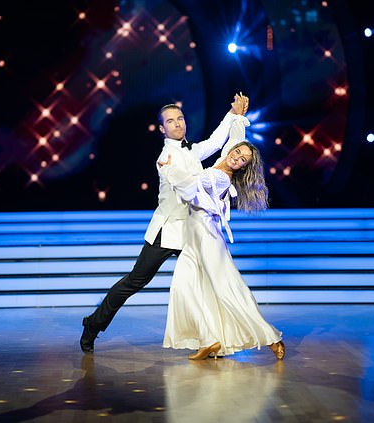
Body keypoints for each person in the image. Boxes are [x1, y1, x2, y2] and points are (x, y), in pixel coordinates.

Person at [80, 93, 250, 353]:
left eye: (180, 119)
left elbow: (217, 141)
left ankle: (212, 341)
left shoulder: (192, 150)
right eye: (171, 121)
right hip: (168, 230)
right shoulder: (165, 158)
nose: (178, 124)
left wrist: (234, 116)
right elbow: (187, 186)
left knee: (207, 281)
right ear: (162, 129)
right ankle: (93, 324)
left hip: (194, 230)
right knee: (135, 281)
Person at [157, 115, 285, 361]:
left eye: (242, 160)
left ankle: (270, 337)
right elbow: (230, 142)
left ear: (243, 167)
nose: (236, 157)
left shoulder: (218, 177)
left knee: (226, 289)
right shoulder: (221, 164)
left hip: (206, 237)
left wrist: (169, 170)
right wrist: (236, 117)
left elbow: (190, 188)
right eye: (237, 153)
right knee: (186, 286)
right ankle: (210, 340)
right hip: (193, 236)